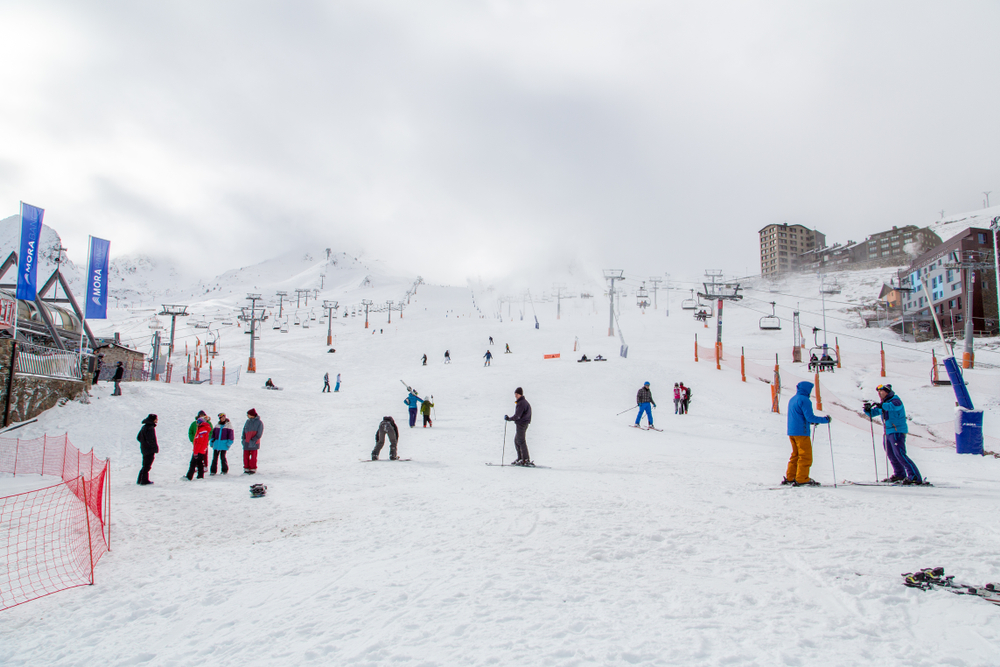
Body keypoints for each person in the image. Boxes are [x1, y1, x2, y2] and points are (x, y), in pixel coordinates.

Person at [865, 384, 923, 484]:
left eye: (881, 391)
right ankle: (899, 474)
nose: (879, 394)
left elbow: (894, 407)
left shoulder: (895, 400)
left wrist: (881, 405)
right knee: (891, 454)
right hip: (888, 432)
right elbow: (874, 413)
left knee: (900, 454)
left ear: (887, 392)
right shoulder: (885, 403)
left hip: (897, 431)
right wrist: (867, 410)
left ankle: (914, 476)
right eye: (878, 392)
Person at [783, 381, 831, 486]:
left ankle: (790, 476)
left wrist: (810, 421)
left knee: (795, 455)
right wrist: (825, 420)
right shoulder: (805, 400)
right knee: (805, 456)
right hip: (802, 432)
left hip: (792, 431)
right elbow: (809, 417)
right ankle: (802, 478)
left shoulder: (793, 399)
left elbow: (800, 416)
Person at [504, 387, 532, 466]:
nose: (515, 396)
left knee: (521, 441)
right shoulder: (522, 402)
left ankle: (525, 459)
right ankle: (520, 458)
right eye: (515, 394)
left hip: (521, 424)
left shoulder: (521, 403)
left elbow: (517, 416)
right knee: (517, 440)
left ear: (520, 394)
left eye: (517, 394)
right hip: (522, 423)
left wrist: (509, 419)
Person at [185, 414, 211, 480]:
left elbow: (199, 442)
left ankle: (189, 476)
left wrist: (195, 452)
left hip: (199, 450)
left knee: (193, 463)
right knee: (199, 462)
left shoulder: (202, 430)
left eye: (198, 422)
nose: (197, 424)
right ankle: (200, 476)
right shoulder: (203, 429)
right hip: (201, 450)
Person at [136, 414, 158, 485]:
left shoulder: (144, 427)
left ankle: (140, 479)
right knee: (147, 465)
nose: (157, 420)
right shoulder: (150, 428)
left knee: (145, 464)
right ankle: (144, 480)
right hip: (149, 450)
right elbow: (150, 440)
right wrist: (153, 447)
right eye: (156, 419)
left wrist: (143, 444)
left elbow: (138, 437)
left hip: (144, 449)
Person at [242, 408, 263, 474]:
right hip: (246, 442)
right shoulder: (247, 421)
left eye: (248, 414)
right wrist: (243, 439)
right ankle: (246, 468)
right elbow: (244, 430)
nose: (247, 416)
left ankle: (252, 468)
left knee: (253, 456)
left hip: (254, 442)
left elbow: (259, 433)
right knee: (245, 456)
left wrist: (254, 439)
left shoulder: (259, 422)